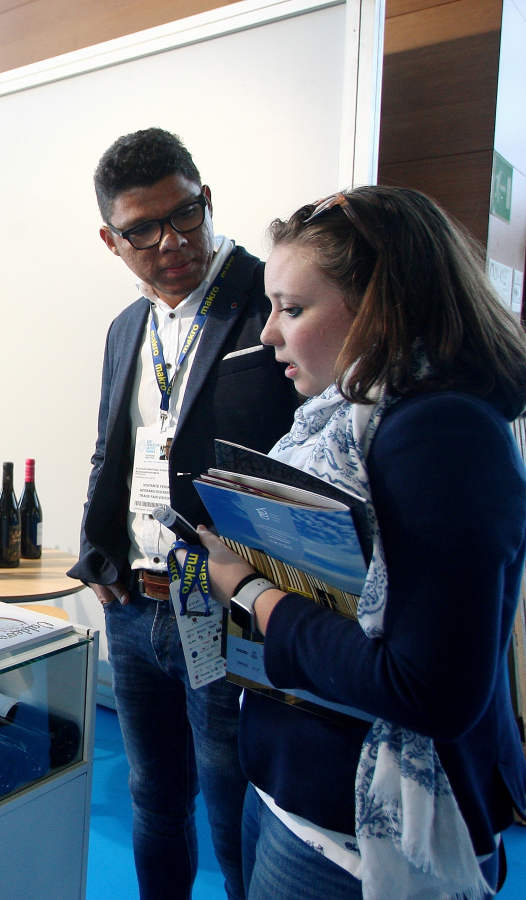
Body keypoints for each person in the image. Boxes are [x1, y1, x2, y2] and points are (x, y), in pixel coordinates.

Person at [195, 185, 526, 898]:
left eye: (293, 308)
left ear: (381, 303)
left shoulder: (443, 435)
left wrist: (251, 592)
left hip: (362, 846)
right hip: (293, 792)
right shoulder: (345, 418)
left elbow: (428, 689)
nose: (269, 334)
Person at [70, 127, 298, 900]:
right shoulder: (125, 327)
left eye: (187, 214)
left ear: (206, 198)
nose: (173, 241)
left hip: (228, 604)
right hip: (136, 605)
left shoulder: (273, 301)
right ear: (111, 238)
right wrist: (94, 549)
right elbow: (117, 450)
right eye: (143, 230)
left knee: (239, 811)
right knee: (154, 799)